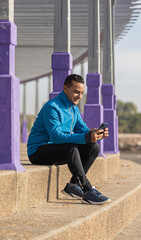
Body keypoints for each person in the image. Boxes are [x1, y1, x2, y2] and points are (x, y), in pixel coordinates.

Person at [27, 74, 111, 204]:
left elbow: (83, 130)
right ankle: (87, 189)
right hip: (38, 151)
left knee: (93, 147)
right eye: (76, 92)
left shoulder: (74, 108)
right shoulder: (52, 107)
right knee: (70, 148)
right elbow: (56, 136)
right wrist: (85, 136)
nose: (79, 96)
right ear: (65, 88)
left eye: (82, 93)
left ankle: (73, 185)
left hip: (58, 150)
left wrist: (95, 134)